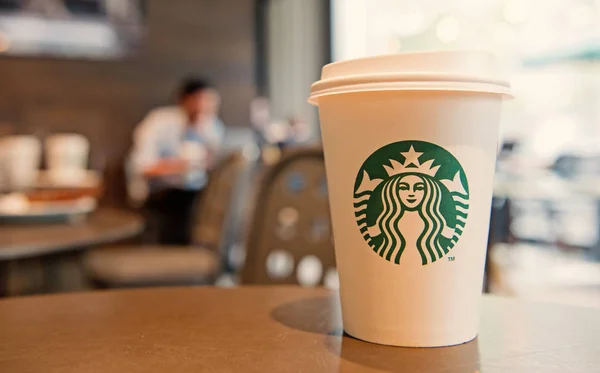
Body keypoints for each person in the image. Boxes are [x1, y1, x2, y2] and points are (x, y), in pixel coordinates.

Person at [129, 77, 225, 245]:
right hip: (159, 192)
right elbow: (143, 167)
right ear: (184, 100)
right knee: (186, 202)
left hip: (195, 192)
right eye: (202, 101)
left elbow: (213, 163)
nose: (207, 108)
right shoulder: (159, 122)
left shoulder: (213, 127)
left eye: (212, 104)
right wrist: (183, 166)